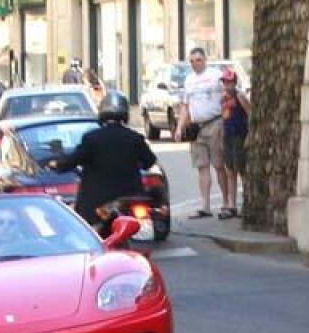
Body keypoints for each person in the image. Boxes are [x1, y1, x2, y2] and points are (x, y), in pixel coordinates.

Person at [72, 91, 156, 230]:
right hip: (131, 196)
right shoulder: (135, 138)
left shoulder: (91, 138)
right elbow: (149, 162)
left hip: (96, 201)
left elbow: (73, 160)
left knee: (85, 228)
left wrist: (57, 164)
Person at [175, 47, 229, 218]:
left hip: (214, 123)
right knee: (202, 166)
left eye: (198, 60)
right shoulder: (189, 80)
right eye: (192, 61)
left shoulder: (215, 75)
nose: (195, 64)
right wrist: (179, 127)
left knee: (219, 165)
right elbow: (185, 105)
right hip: (196, 127)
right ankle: (205, 205)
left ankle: (226, 202)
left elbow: (228, 94)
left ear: (205, 59)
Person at [219, 69, 250, 220]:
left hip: (239, 135)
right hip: (228, 136)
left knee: (241, 169)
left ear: (235, 83)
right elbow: (223, 118)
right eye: (225, 82)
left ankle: (246, 203)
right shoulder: (223, 99)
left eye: (230, 82)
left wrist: (249, 135)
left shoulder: (240, 96)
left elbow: (250, 113)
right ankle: (232, 205)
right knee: (230, 170)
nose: (227, 85)